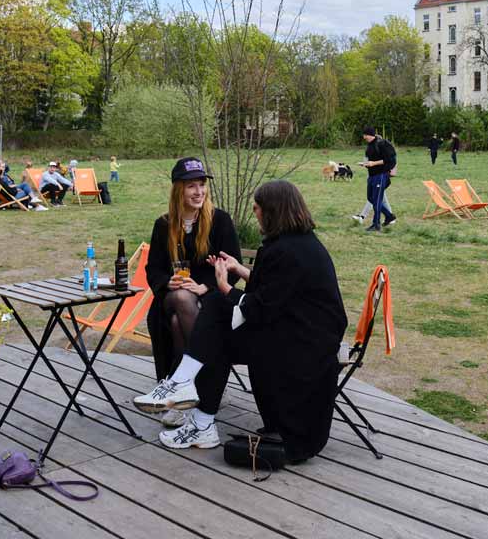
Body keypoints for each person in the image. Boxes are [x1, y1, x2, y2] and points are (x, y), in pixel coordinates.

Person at [134, 180, 347, 463]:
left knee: (217, 311)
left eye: (257, 208)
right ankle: (196, 410)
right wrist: (241, 271)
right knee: (217, 324)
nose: (255, 213)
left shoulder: (287, 251)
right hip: (293, 332)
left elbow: (260, 308)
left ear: (272, 211)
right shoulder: (297, 244)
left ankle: (192, 400)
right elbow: (276, 292)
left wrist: (224, 286)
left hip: (303, 345)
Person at [144, 157, 241, 428]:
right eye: (191, 186)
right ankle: (202, 386)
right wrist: (167, 282)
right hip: (172, 297)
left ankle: (183, 391)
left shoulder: (219, 220)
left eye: (201, 185)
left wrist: (205, 286)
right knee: (180, 299)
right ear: (178, 190)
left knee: (178, 321)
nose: (199, 192)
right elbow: (153, 269)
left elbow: (231, 266)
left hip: (210, 298)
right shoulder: (164, 225)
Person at [359, 127, 396, 232]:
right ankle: (389, 216)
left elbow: (389, 160)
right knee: (371, 198)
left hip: (381, 175)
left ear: (371, 134)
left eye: (365, 135)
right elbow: (370, 160)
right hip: (371, 175)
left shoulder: (382, 144)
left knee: (377, 200)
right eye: (364, 135)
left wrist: (373, 163)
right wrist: (366, 164)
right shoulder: (369, 146)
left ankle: (376, 224)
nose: (364, 137)